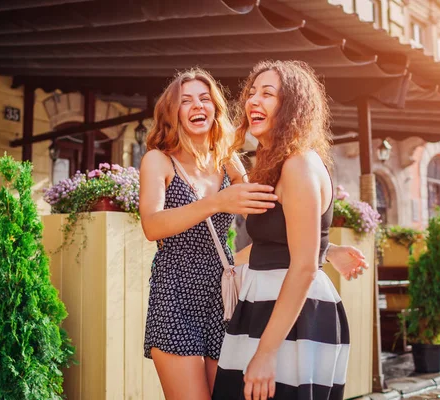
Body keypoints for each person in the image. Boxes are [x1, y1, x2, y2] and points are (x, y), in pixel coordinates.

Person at [139, 67, 365, 400]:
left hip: (226, 295)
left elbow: (275, 221)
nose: (197, 105)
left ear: (216, 109)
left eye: (204, 98)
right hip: (175, 293)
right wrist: (216, 202)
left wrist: (324, 250)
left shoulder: (229, 163)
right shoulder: (158, 161)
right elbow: (151, 225)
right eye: (185, 101)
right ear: (172, 113)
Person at [212, 60, 350, 400]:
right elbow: (277, 243)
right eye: (251, 93)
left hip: (291, 315)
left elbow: (303, 265)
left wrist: (266, 353)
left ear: (291, 106)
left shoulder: (299, 164)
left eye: (267, 94)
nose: (253, 101)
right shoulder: (276, 164)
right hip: (265, 303)